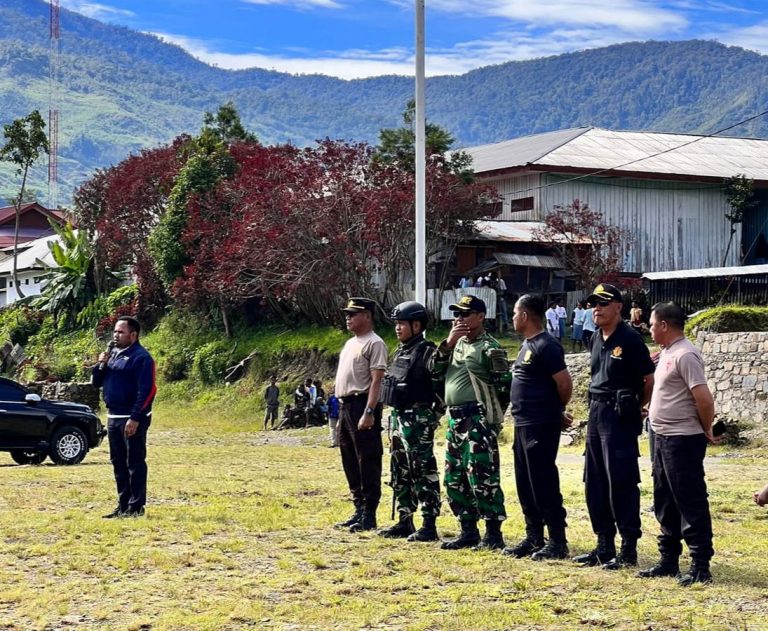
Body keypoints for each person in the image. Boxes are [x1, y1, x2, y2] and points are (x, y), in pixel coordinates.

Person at [573, 283, 655, 570]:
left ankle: (628, 548)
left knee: (620, 480)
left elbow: (649, 379)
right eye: (594, 303)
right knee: (594, 480)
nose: (597, 308)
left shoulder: (630, 339)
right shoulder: (595, 337)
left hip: (619, 415)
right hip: (596, 411)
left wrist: (641, 407)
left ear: (619, 307)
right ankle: (603, 544)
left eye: (604, 303)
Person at [637, 302, 717, 586]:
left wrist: (705, 428)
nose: (649, 327)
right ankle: (668, 559)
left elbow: (704, 399)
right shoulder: (667, 353)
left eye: (651, 323)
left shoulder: (686, 354)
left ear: (664, 325)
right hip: (661, 435)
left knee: (689, 499)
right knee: (664, 499)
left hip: (682, 438)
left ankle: (699, 564)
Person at [431, 295, 511, 551]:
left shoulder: (490, 347)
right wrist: (448, 343)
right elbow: (433, 370)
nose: (459, 319)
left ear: (480, 316)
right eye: (456, 314)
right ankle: (468, 530)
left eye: (465, 314)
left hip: (477, 419)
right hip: (455, 419)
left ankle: (493, 533)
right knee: (454, 477)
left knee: (482, 476)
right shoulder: (455, 344)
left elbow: (503, 387)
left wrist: (492, 422)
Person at [503, 294, 573, 560]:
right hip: (522, 423)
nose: (512, 318)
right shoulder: (526, 345)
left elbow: (564, 383)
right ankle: (534, 536)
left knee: (543, 481)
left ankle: (557, 540)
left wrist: (556, 409)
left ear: (524, 315)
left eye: (514, 313)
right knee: (525, 483)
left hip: (540, 424)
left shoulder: (547, 345)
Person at [378, 301, 442, 542]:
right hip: (398, 418)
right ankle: (405, 519)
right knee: (400, 469)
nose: (397, 328)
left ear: (417, 325)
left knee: (422, 470)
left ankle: (428, 523)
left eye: (402, 324)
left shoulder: (427, 352)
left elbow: (441, 388)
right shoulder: (401, 351)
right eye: (396, 324)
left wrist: (432, 417)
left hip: (418, 419)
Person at [92, 316, 156, 519]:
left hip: (131, 417)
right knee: (118, 462)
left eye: (120, 332)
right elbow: (96, 382)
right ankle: (123, 505)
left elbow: (147, 391)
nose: (116, 336)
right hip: (113, 416)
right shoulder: (113, 355)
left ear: (133, 335)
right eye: (115, 332)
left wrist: (135, 418)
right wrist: (100, 364)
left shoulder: (141, 358)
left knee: (134, 462)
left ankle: (136, 507)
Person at [334, 297, 388, 532]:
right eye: (347, 313)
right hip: (346, 406)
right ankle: (358, 507)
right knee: (349, 459)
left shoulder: (374, 343)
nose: (348, 317)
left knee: (367, 459)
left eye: (353, 313)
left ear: (367, 315)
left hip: (362, 404)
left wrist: (369, 411)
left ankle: (369, 513)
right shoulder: (350, 343)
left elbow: (376, 380)